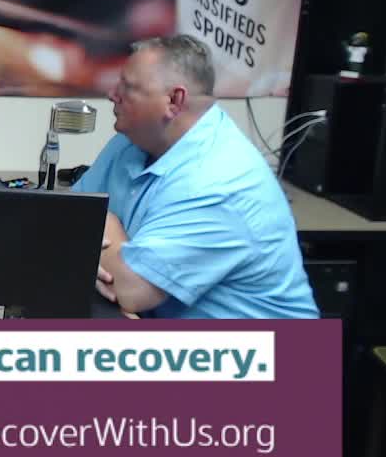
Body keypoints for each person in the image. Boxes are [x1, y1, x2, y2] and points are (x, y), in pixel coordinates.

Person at [75, 34, 318, 319]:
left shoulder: (217, 180)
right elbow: (66, 217)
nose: (111, 94)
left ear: (174, 100)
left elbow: (130, 290)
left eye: (127, 87)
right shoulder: (133, 141)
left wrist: (105, 222)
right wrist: (90, 245)